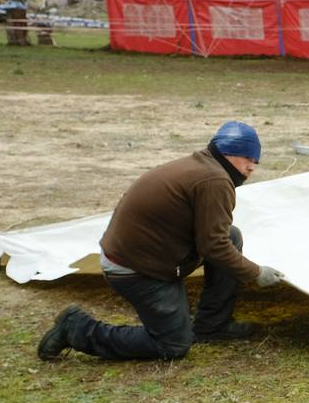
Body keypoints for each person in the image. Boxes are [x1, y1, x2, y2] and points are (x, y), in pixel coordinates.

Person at [36, 121, 285, 362]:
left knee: (232, 235)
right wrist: (256, 273)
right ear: (226, 153)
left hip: (142, 255)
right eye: (246, 158)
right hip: (136, 270)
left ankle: (212, 326)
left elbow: (215, 237)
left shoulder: (202, 165)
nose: (251, 167)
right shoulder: (215, 180)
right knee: (173, 344)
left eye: (255, 161)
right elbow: (214, 246)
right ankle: (78, 329)